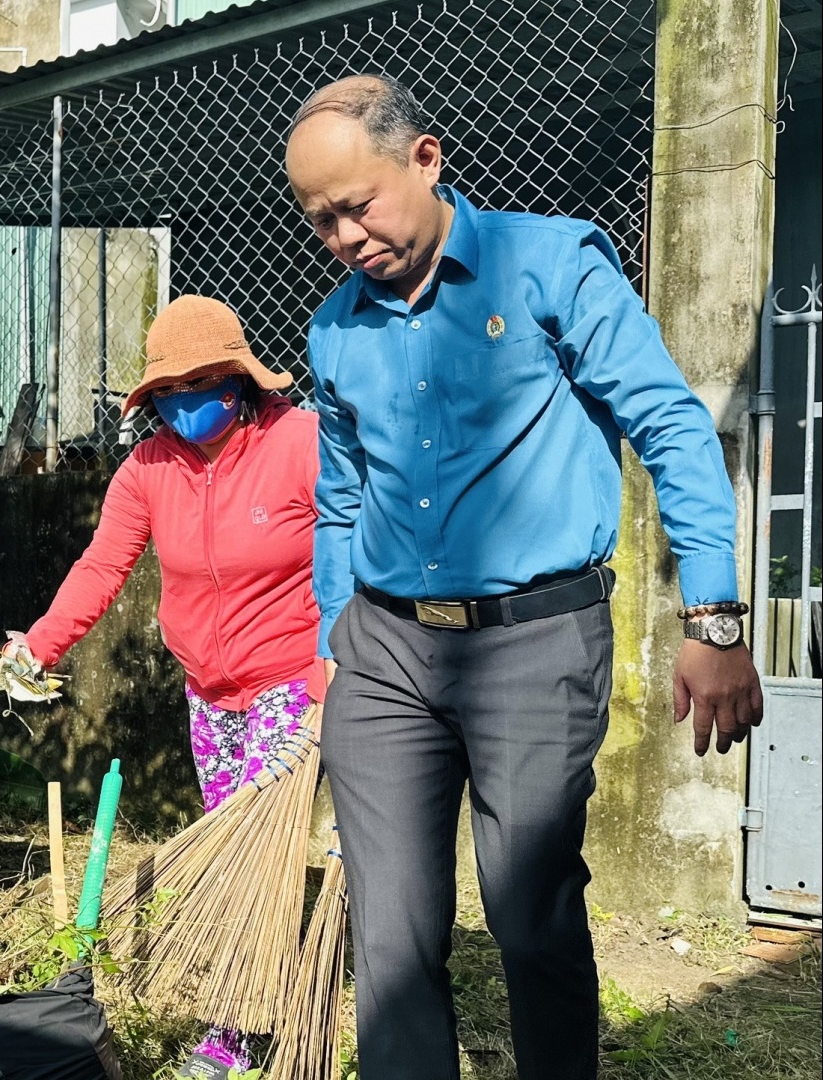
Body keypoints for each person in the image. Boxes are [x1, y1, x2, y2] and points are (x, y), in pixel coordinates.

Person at [285, 74, 764, 1080]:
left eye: (355, 204)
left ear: (424, 158)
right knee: (393, 930)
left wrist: (714, 619)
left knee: (529, 903)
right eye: (318, 218)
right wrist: (336, 633)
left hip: (535, 642)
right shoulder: (335, 331)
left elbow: (671, 426)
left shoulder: (548, 265)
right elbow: (338, 498)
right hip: (382, 653)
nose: (340, 235)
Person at [1, 294, 321, 1077]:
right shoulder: (148, 469)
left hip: (294, 677)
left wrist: (337, 663)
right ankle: (251, 1000)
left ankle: (233, 1034)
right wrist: (39, 646)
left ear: (239, 380)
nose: (184, 404)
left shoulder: (302, 443)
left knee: (246, 849)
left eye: (200, 385)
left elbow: (358, 545)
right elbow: (104, 565)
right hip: (208, 692)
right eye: (167, 394)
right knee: (226, 847)